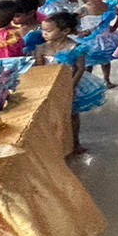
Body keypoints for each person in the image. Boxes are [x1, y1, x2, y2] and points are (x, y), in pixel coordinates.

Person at [34, 10, 104, 154]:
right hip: (49, 85)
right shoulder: (41, 48)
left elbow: (80, 68)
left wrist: (70, 86)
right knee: (53, 114)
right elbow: (40, 69)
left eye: (49, 30)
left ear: (65, 31)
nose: (44, 34)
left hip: (72, 84)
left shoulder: (75, 47)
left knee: (72, 114)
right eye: (43, 30)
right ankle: (57, 142)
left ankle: (76, 142)